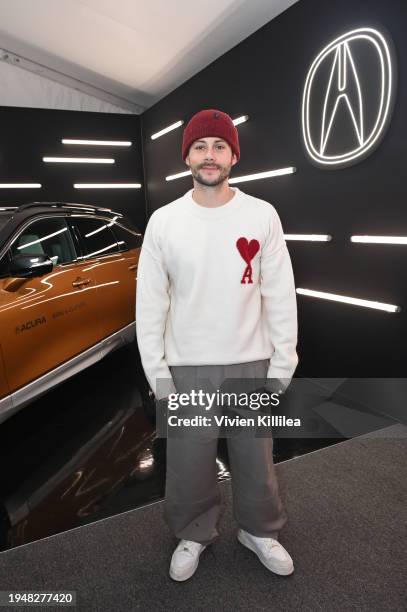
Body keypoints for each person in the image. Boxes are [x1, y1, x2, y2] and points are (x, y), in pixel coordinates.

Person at [135, 109, 298, 582]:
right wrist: (158, 374)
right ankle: (193, 532)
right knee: (188, 463)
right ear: (187, 155)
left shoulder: (261, 214)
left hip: (250, 360)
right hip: (187, 366)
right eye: (201, 147)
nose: (210, 156)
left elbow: (279, 293)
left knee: (256, 458)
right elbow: (150, 304)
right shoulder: (165, 222)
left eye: (219, 147)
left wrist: (283, 362)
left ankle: (259, 530)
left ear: (233, 156)